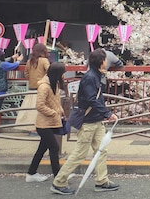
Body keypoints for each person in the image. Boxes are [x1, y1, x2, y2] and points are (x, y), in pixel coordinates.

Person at [51, 48, 119, 195]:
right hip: (89, 122)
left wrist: (104, 114)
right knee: (80, 154)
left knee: (101, 150)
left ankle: (102, 180)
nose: (107, 62)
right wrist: (107, 113)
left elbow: (95, 99)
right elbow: (92, 99)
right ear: (101, 62)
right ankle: (59, 181)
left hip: (96, 120)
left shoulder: (95, 75)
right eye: (106, 59)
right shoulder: (90, 77)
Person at [26, 62, 66, 183]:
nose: (64, 76)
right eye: (63, 73)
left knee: (42, 149)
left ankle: (31, 173)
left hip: (49, 122)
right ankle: (58, 176)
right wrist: (54, 112)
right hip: (44, 123)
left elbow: (53, 101)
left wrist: (60, 110)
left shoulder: (54, 84)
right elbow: (40, 106)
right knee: (54, 147)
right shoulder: (44, 86)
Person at [16, 43, 50, 134]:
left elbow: (26, 73)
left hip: (31, 87)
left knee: (31, 110)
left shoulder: (29, 61)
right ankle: (39, 128)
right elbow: (49, 71)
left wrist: (32, 78)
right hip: (42, 88)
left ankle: (31, 128)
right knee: (41, 109)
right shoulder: (44, 60)